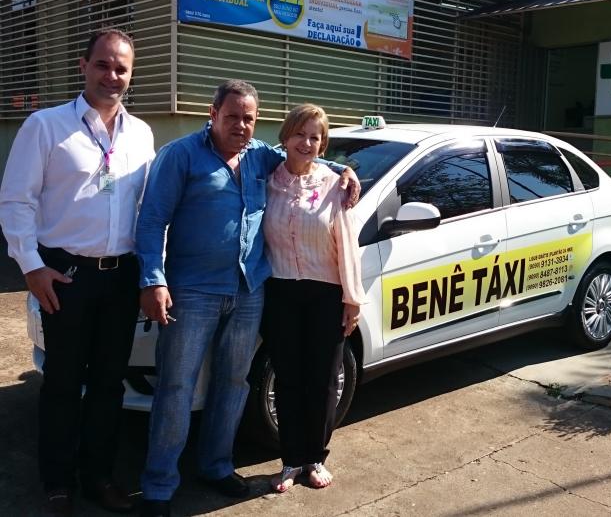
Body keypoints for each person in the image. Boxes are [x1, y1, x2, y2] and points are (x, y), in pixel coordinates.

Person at [134, 81, 357, 517]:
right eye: (233, 116)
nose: (241, 125)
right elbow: (151, 219)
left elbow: (304, 156)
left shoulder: (259, 155)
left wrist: (344, 169)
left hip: (249, 289)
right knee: (176, 387)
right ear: (213, 113)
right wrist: (153, 279)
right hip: (193, 290)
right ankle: (159, 485)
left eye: (249, 118)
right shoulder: (180, 155)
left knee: (233, 384)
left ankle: (216, 467)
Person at [0, 29, 153, 515]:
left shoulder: (142, 134)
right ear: (83, 66)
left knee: (110, 383)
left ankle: (99, 477)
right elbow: (16, 201)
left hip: (121, 277)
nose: (113, 76)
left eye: (122, 68)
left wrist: (152, 276)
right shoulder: (44, 126)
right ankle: (57, 481)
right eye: (104, 65)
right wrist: (32, 268)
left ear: (131, 74)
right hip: (64, 276)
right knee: (64, 383)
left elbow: (149, 210)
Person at [261, 104, 365, 493]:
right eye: (301, 134)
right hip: (281, 290)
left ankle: (315, 458)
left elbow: (347, 245)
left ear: (323, 145)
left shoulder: (334, 185)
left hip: (326, 292)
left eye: (315, 137)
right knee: (288, 378)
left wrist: (352, 299)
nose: (307, 143)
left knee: (323, 380)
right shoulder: (268, 180)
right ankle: (290, 460)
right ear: (286, 136)